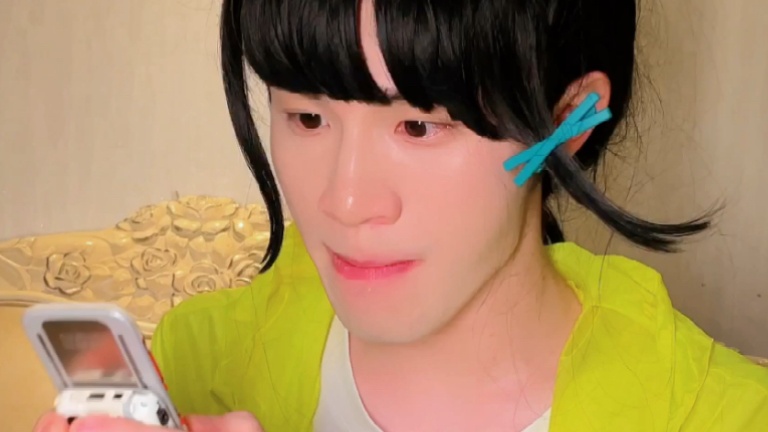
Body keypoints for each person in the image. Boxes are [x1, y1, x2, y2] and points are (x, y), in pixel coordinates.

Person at [36, 0, 768, 431]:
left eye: (419, 126)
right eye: (307, 117)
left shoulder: (720, 415)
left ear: (568, 120)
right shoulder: (198, 366)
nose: (345, 201)